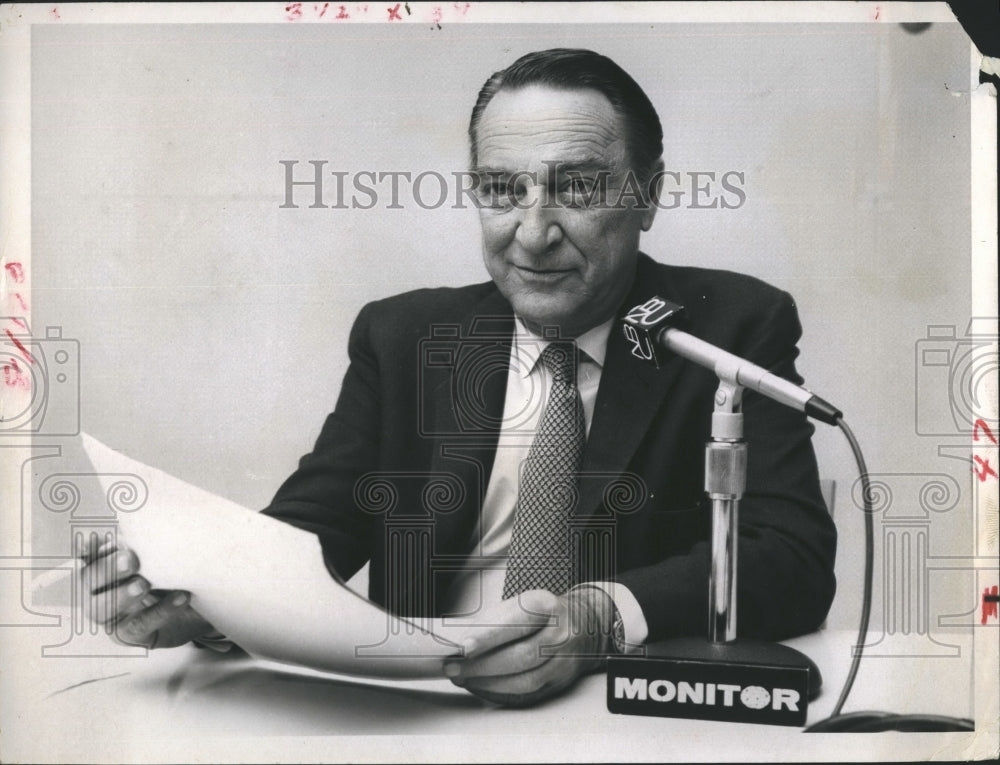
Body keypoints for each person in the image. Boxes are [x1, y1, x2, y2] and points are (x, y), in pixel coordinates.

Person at [80, 48, 837, 708]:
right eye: (503, 190)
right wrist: (201, 598)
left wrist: (598, 618)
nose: (532, 234)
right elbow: (316, 530)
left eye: (576, 188)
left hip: (614, 717)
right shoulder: (406, 334)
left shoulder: (728, 328)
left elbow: (792, 556)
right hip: (414, 715)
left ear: (647, 194)